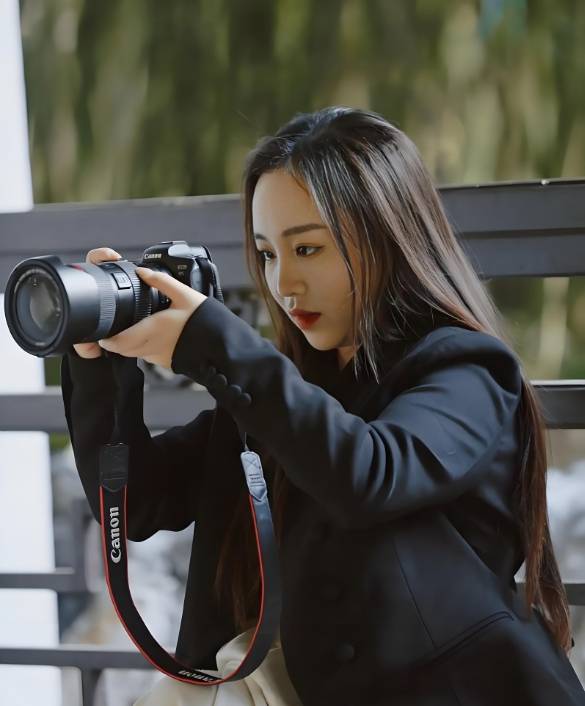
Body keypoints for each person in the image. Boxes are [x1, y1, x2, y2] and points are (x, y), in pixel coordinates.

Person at [61, 106, 585, 705]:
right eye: (267, 254)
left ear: (387, 238)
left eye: (307, 249)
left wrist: (217, 345)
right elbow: (137, 502)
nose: (284, 284)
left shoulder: (466, 370)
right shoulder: (285, 393)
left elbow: (369, 473)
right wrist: (99, 367)